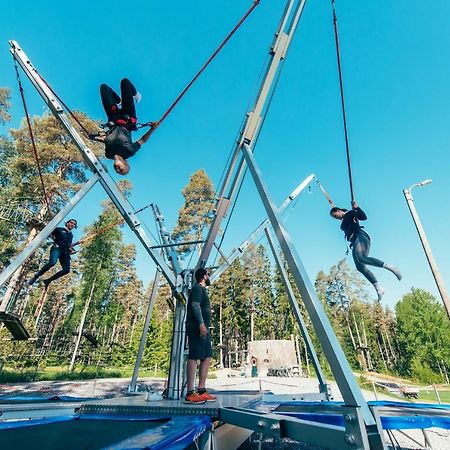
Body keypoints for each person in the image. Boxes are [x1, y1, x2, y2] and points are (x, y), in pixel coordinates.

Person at [330, 201, 401, 300]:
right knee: (360, 267)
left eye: (335, 215)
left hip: (361, 236)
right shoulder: (344, 222)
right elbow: (347, 225)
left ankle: (392, 268)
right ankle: (379, 289)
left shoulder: (350, 213)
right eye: (334, 217)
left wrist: (357, 208)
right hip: (354, 242)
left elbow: (363, 217)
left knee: (362, 258)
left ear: (339, 210)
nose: (336, 218)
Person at [99, 78, 154, 175]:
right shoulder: (129, 152)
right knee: (125, 82)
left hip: (114, 117)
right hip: (127, 117)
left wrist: (92, 137)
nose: (118, 169)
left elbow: (106, 139)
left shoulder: (108, 154)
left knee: (104, 88)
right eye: (122, 170)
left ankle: (119, 101)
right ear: (126, 163)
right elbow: (143, 140)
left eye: (117, 171)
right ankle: (136, 95)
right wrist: (153, 128)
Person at [184, 268, 217, 404]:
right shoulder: (197, 288)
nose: (209, 277)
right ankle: (190, 392)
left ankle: (201, 390)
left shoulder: (202, 290)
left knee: (207, 355)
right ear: (204, 276)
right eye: (208, 274)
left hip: (203, 327)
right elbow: (195, 306)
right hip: (197, 327)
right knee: (194, 356)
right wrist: (201, 324)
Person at [28, 219, 78, 289]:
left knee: (66, 270)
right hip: (57, 248)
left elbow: (68, 246)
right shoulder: (59, 230)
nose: (72, 224)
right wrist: (41, 224)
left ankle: (48, 280)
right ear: (67, 223)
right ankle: (37, 275)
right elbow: (49, 231)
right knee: (52, 262)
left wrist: (71, 251)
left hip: (65, 253)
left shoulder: (71, 235)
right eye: (71, 223)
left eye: (74, 224)